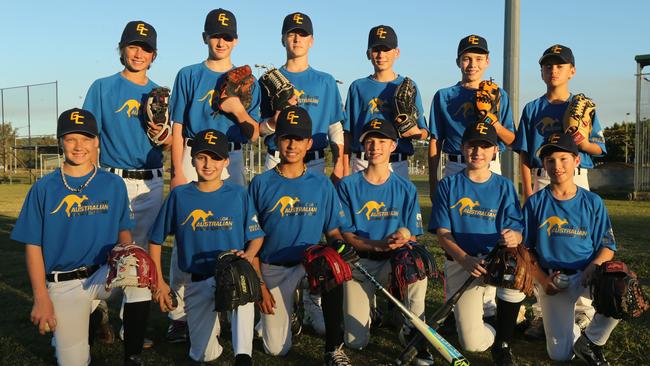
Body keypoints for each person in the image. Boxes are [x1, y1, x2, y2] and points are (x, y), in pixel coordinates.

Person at [11, 108, 152, 366]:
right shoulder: (43, 188)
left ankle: (132, 356)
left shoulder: (112, 184)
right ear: (60, 141)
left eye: (86, 138)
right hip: (63, 282)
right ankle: (94, 314)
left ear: (97, 141)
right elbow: (33, 246)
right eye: (71, 138)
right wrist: (41, 298)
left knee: (139, 280)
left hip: (102, 273)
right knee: (73, 362)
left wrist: (130, 255)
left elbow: (123, 230)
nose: (79, 146)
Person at [166, 8, 262, 341]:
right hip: (195, 156)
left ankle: (232, 301)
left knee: (232, 234)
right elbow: (178, 127)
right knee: (185, 234)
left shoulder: (248, 79)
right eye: (215, 35)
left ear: (236, 40)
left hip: (231, 159)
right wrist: (177, 170)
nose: (221, 41)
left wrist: (238, 110)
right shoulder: (189, 74)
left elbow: (253, 133)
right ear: (205, 37)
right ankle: (179, 314)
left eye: (228, 36)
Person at [258, 11, 346, 335]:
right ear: (283, 39)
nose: (296, 38)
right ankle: (276, 296)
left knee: (316, 236)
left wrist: (341, 160)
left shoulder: (324, 80)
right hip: (276, 161)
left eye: (302, 33)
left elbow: (336, 125)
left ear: (311, 40)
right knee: (274, 231)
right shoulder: (268, 80)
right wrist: (273, 119)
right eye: (291, 33)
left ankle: (312, 302)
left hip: (314, 162)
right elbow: (257, 128)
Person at [83, 20, 168, 346]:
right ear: (122, 49)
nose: (138, 53)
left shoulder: (159, 94)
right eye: (132, 45)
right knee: (103, 252)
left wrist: (163, 135)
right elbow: (89, 138)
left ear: (154, 55)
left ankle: (131, 330)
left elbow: (165, 140)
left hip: (150, 184)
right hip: (112, 179)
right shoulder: (102, 87)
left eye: (145, 48)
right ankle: (93, 312)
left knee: (141, 258)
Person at [148, 129, 264, 365]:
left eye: (215, 157)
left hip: (232, 275)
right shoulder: (180, 195)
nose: (208, 163)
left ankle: (244, 356)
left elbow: (256, 237)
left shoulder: (238, 194)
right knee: (202, 355)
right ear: (192, 159)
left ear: (225, 161)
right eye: (202, 157)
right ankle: (212, 335)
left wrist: (248, 255)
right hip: (197, 279)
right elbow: (155, 240)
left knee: (243, 278)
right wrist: (160, 282)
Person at [513, 44, 606, 337]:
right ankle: (544, 313)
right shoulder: (533, 108)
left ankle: (582, 312)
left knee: (581, 242)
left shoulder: (583, 105)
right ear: (541, 71)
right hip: (543, 176)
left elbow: (599, 148)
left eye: (560, 65)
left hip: (577, 176)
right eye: (548, 65)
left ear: (572, 71)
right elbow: (525, 156)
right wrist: (528, 192)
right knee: (542, 247)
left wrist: (582, 140)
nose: (554, 70)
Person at [249, 106, 352, 365]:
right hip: (273, 268)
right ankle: (291, 310)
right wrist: (260, 286)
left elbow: (333, 231)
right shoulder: (261, 183)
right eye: (286, 137)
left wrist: (339, 246)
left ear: (308, 144)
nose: (292, 144)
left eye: (298, 139)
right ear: (277, 140)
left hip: (309, 266)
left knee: (332, 267)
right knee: (276, 350)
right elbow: (251, 241)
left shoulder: (321, 184)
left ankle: (333, 349)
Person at [428, 34, 516, 319]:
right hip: (454, 163)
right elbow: (435, 140)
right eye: (467, 58)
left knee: (492, 228)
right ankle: (457, 294)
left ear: (487, 62)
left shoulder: (498, 95)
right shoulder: (444, 96)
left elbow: (511, 138)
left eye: (479, 58)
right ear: (458, 61)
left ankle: (489, 298)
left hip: (490, 163)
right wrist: (433, 181)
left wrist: (491, 118)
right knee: (455, 232)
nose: (472, 64)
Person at [337, 119, 433, 365]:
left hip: (394, 264)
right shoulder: (348, 185)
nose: (375, 147)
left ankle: (413, 329)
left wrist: (403, 238)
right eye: (370, 141)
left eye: (381, 141)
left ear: (393, 146)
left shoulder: (405, 187)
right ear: (363, 146)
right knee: (355, 341)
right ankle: (374, 311)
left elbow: (414, 234)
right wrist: (377, 245)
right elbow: (346, 234)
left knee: (417, 267)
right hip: (361, 263)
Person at [429, 121, 525, 365]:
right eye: (472, 145)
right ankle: (494, 321)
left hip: (495, 263)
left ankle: (504, 338)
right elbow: (442, 233)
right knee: (472, 343)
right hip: (462, 262)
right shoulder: (448, 185)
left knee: (517, 264)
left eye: (485, 146)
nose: (478, 152)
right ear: (463, 148)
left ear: (495, 151)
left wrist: (515, 237)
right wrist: (464, 258)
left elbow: (517, 231)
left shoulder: (504, 186)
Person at [522, 133, 619, 364]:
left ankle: (591, 341)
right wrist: (543, 280)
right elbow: (525, 249)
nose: (557, 166)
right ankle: (575, 334)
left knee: (621, 290)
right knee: (560, 355)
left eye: (563, 159)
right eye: (550, 160)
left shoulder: (592, 201)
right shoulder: (536, 202)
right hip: (554, 278)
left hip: (588, 274)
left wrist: (592, 268)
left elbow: (608, 247)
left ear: (577, 161)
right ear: (544, 165)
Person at [343, 25, 428, 178]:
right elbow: (347, 133)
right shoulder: (358, 87)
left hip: (397, 163)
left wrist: (415, 132)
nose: (381, 54)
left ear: (397, 52)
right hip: (363, 161)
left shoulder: (408, 86)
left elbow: (424, 132)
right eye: (376, 49)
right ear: (368, 54)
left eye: (387, 49)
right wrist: (343, 166)